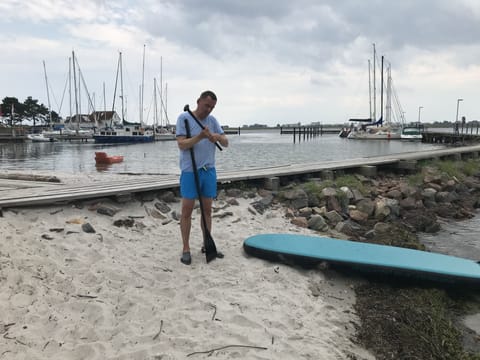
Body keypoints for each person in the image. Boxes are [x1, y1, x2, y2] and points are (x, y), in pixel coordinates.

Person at [175, 90, 229, 265]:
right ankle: (186, 248)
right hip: (190, 171)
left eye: (212, 107)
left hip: (209, 171)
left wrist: (217, 137)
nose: (209, 110)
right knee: (187, 211)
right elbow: (182, 144)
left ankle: (207, 244)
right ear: (198, 101)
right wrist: (199, 136)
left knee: (207, 210)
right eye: (206, 106)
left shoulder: (212, 121)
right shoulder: (184, 118)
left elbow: (226, 142)